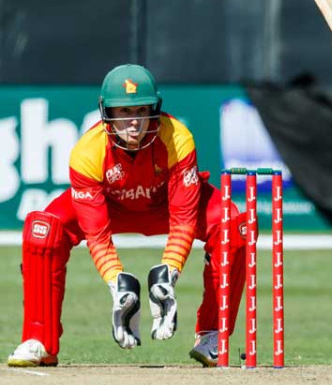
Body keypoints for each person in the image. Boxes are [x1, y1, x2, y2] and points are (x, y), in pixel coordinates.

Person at [7, 64, 246, 368]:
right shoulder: (87, 152)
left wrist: (168, 275)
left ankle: (213, 336)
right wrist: (117, 284)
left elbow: (184, 220)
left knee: (232, 225)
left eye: (142, 110)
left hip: (165, 207)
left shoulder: (177, 138)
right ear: (107, 112)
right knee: (42, 230)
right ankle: (40, 340)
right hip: (112, 207)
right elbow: (97, 235)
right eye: (124, 112)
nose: (134, 122)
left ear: (154, 109)